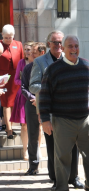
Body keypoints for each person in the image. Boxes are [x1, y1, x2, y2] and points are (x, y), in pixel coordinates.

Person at [39, 34, 89, 191]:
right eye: (70, 46)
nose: (74, 49)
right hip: (62, 121)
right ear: (62, 47)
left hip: (85, 119)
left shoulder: (87, 66)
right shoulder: (53, 70)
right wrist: (45, 120)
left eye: (76, 46)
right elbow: (45, 96)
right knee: (62, 157)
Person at [29, 30, 83, 191]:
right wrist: (52, 88)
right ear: (48, 44)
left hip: (71, 111)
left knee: (74, 146)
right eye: (55, 42)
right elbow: (33, 85)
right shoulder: (39, 62)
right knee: (53, 147)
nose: (58, 45)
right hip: (50, 112)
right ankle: (56, 179)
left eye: (61, 42)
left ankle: (74, 177)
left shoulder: (72, 60)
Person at [21, 42, 46, 175]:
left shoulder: (49, 67)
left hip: (48, 104)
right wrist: (34, 99)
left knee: (52, 135)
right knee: (32, 135)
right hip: (31, 104)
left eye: (34, 53)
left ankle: (54, 169)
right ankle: (33, 166)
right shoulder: (27, 68)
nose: (30, 54)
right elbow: (23, 87)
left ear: (42, 53)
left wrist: (41, 99)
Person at [10, 41, 34, 160]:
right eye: (25, 49)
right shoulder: (21, 62)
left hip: (36, 95)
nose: (27, 52)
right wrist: (25, 84)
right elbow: (16, 80)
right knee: (24, 125)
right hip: (23, 95)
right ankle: (25, 151)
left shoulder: (37, 62)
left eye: (29, 49)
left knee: (38, 126)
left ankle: (36, 150)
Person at [0, 24, 24, 138]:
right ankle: (9, 130)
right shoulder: (0, 44)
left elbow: (23, 60)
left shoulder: (18, 44)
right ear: (2, 35)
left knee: (14, 102)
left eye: (11, 37)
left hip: (16, 76)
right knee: (6, 103)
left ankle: (11, 125)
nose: (9, 40)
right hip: (3, 77)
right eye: (6, 37)